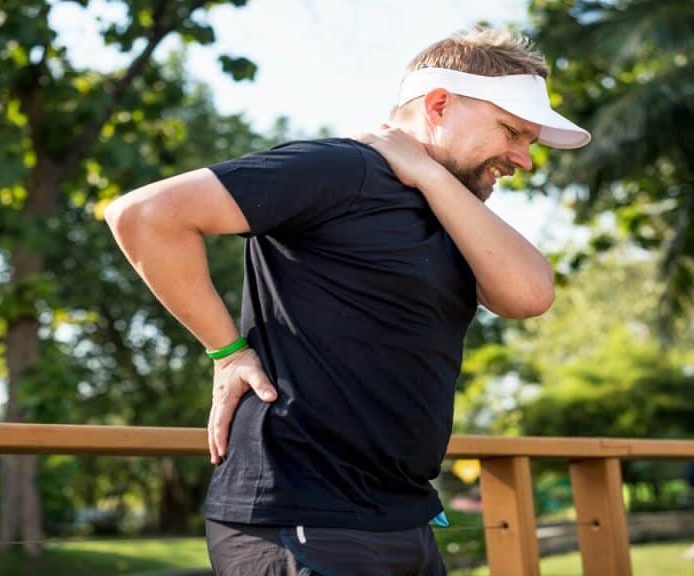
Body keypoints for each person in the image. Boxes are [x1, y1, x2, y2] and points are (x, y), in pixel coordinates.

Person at [105, 28, 589, 576]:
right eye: (512, 132)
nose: (523, 159)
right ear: (438, 105)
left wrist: (428, 174)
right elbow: (144, 216)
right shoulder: (343, 169)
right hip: (302, 511)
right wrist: (228, 353)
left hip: (401, 513)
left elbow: (529, 295)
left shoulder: (445, 206)